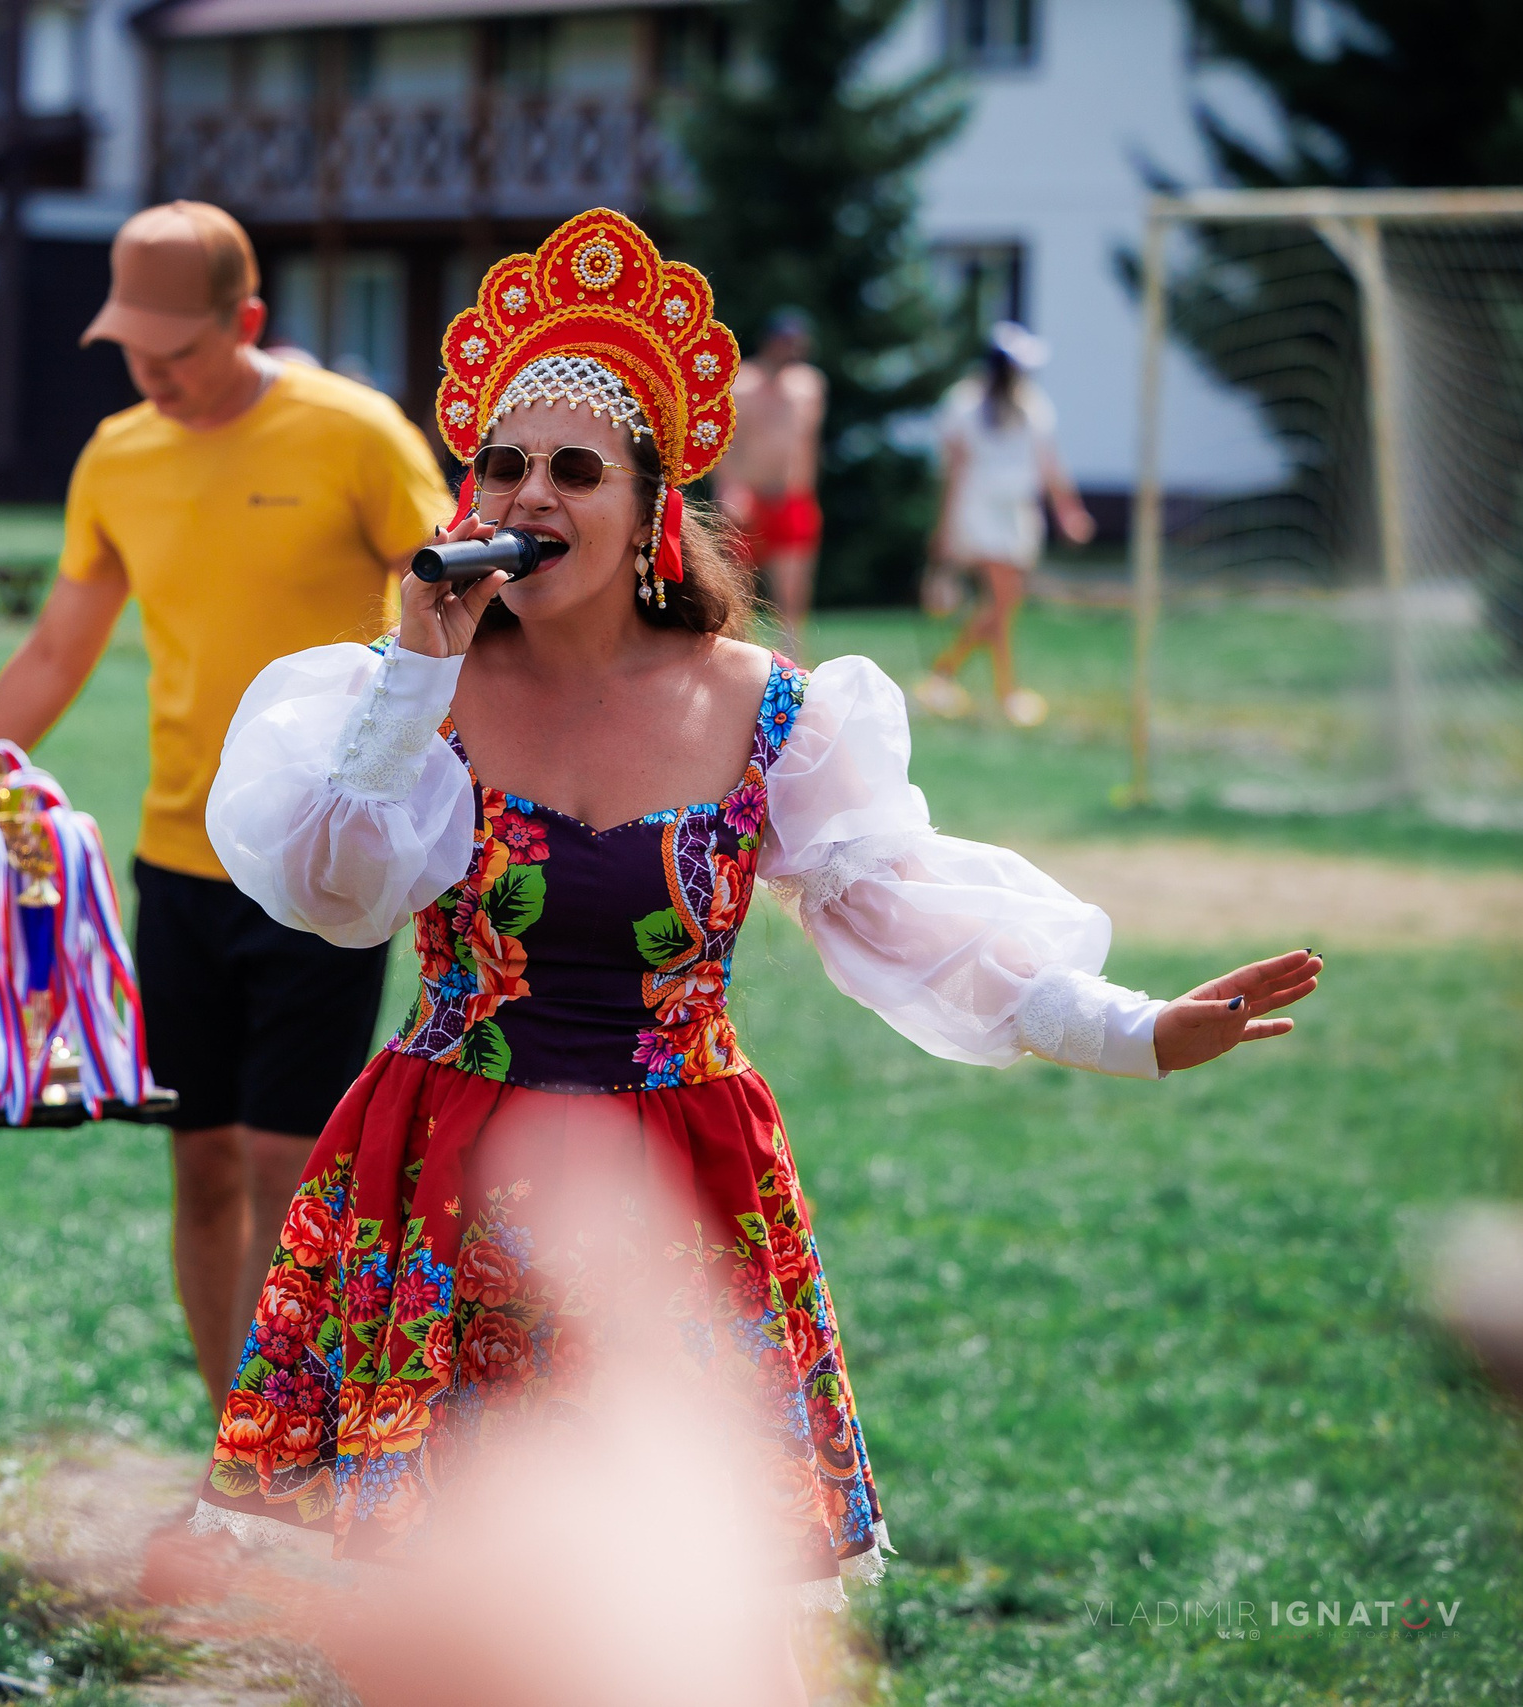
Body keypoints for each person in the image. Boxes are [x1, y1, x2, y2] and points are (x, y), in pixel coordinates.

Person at [190, 213, 1319, 1635]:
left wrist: (1132, 1026)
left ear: (653, 499)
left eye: (573, 469)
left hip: (677, 1182)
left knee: (663, 1593)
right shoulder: (406, 693)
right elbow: (333, 886)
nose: (529, 495)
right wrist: (415, 668)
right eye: (503, 463)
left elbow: (910, 916)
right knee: (450, 1600)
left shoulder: (775, 709)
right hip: (444, 1163)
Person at [0, 201, 453, 1400]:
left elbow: (455, 608)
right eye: (132, 350)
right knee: (203, 1166)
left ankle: (270, 1443)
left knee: (290, 1161)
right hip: (177, 858)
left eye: (175, 350)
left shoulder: (354, 434)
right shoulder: (118, 456)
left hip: (321, 864)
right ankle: (227, 1427)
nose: (150, 375)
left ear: (247, 321)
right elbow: (55, 648)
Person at [915, 321, 1095, 728]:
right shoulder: (964, 403)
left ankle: (949, 675)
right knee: (1003, 598)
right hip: (978, 511)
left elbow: (1049, 462)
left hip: (1017, 512)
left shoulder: (1032, 405)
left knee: (1003, 602)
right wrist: (944, 529)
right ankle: (1004, 691)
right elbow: (954, 470)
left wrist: (1068, 509)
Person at [715, 308, 825, 659]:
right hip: (750, 493)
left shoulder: (809, 385)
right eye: (785, 342)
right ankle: (735, 654)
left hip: (792, 495)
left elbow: (807, 444)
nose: (791, 349)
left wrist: (807, 489)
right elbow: (725, 443)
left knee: (793, 590)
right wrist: (729, 488)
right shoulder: (742, 383)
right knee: (739, 585)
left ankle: (793, 657)